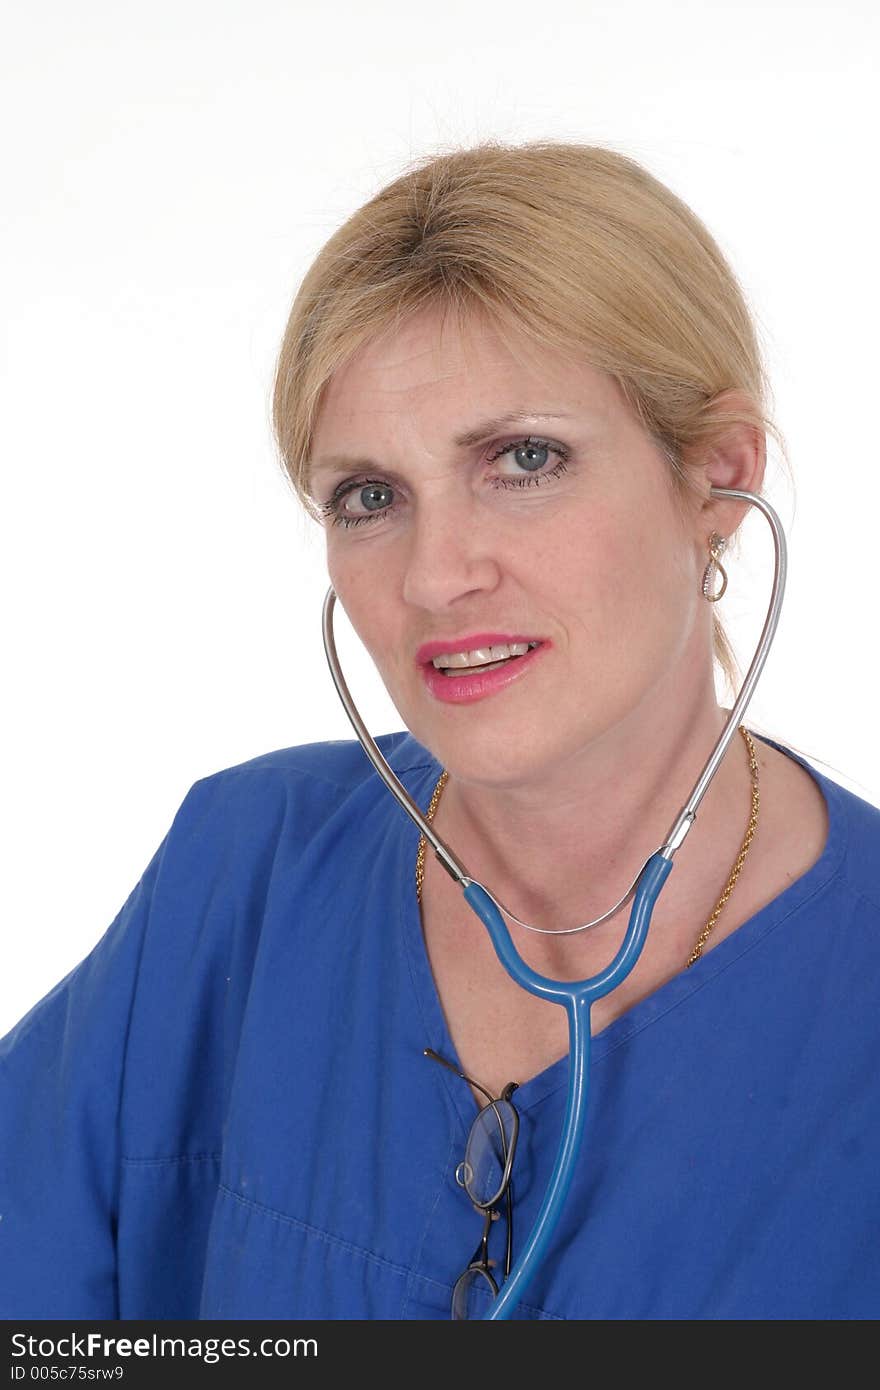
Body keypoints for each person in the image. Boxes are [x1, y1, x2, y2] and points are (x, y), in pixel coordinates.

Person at [2, 139, 879, 1322]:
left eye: (523, 459)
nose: (433, 575)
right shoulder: (241, 874)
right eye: (370, 497)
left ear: (717, 481)